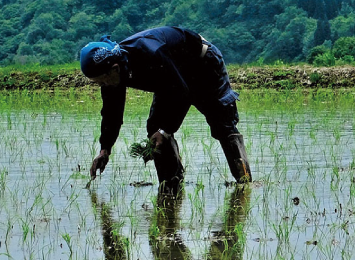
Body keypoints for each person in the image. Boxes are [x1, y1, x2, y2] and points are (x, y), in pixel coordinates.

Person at [80, 26, 252, 191]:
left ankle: (244, 184)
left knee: (222, 123)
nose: (103, 86)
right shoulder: (112, 75)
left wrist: (166, 130)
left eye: (102, 81)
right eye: (97, 83)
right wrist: (105, 149)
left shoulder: (151, 53)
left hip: (203, 64)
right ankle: (171, 187)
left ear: (115, 68)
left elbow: (182, 91)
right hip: (170, 79)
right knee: (155, 130)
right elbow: (112, 114)